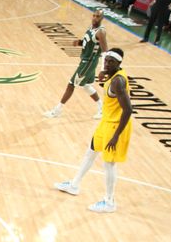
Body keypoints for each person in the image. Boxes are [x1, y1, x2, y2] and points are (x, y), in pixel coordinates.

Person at [54, 48, 132, 213]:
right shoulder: (112, 75)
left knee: (109, 164)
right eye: (106, 60)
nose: (107, 63)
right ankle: (74, 185)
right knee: (90, 152)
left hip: (115, 126)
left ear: (119, 63)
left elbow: (128, 110)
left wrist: (116, 136)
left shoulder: (118, 82)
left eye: (111, 61)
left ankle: (109, 202)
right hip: (106, 122)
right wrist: (104, 74)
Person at [44, 9, 108, 120]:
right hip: (86, 61)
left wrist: (103, 70)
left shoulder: (100, 32)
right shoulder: (91, 27)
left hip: (88, 63)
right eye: (93, 15)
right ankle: (102, 108)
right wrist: (79, 42)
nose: (94, 18)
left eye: (97, 16)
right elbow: (88, 42)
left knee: (71, 84)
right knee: (85, 85)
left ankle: (57, 110)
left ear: (102, 18)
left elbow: (105, 51)